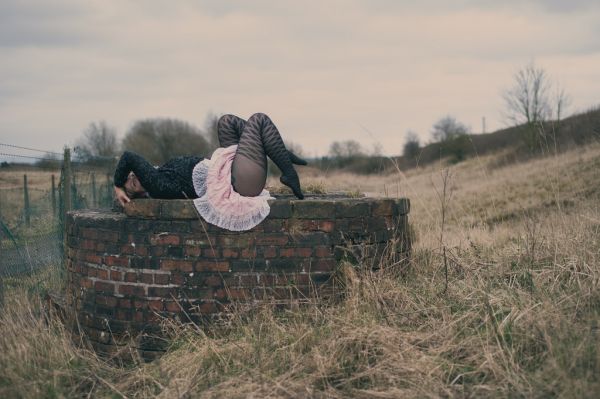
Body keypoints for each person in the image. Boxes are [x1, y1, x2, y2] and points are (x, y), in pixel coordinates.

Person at [114, 112, 307, 231]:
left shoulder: (161, 173)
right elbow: (129, 157)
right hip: (237, 184)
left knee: (226, 121)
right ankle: (288, 172)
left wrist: (125, 183)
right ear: (139, 193)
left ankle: (278, 150)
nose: (135, 175)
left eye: (132, 175)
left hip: (228, 170)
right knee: (259, 120)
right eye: (132, 183)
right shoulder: (157, 186)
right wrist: (117, 185)